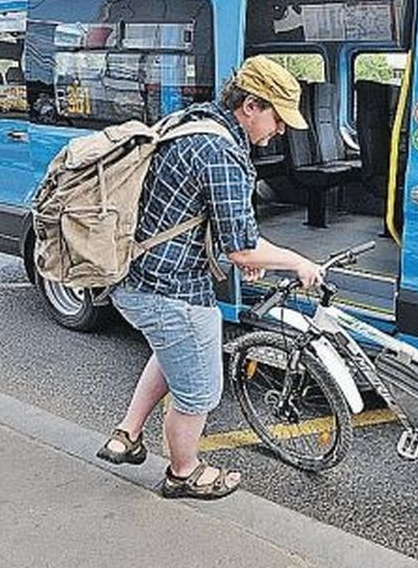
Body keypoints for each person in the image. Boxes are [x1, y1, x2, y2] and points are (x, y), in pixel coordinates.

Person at [97, 56, 325, 500]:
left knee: (173, 352)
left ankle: (127, 433)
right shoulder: (221, 152)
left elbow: (207, 221)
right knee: (199, 391)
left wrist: (247, 253)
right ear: (252, 106)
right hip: (171, 289)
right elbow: (241, 247)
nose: (279, 131)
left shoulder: (196, 120)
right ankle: (184, 473)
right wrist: (296, 261)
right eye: (278, 118)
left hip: (134, 274)